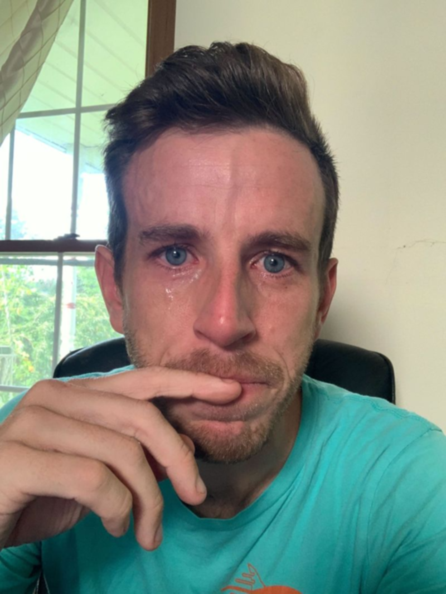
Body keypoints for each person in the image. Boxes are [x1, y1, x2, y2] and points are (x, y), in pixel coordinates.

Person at [0, 42, 445, 594]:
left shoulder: (412, 481)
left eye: (274, 262)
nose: (226, 322)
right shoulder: (35, 447)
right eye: (175, 255)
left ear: (321, 301)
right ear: (114, 289)